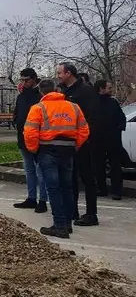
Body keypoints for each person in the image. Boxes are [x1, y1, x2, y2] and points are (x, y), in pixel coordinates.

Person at [24, 79, 90, 238]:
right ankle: (67, 224)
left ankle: (59, 225)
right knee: (66, 187)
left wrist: (34, 150)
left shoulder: (38, 108)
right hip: (68, 150)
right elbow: (84, 130)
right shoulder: (73, 107)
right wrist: (75, 146)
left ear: (41, 92)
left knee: (53, 188)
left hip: (47, 150)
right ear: (57, 90)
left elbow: (30, 133)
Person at [57, 62, 100, 226]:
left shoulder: (86, 91)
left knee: (88, 178)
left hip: (84, 142)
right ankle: (71, 210)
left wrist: (84, 140)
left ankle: (91, 214)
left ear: (68, 73)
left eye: (60, 73)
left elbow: (92, 119)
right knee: (70, 178)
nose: (58, 76)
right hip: (69, 143)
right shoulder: (65, 92)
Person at [12, 68, 47, 212]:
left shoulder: (39, 97)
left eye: (27, 80)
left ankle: (42, 200)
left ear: (34, 80)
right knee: (29, 170)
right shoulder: (21, 97)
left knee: (40, 170)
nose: (24, 83)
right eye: (22, 80)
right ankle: (31, 197)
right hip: (22, 137)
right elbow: (17, 113)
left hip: (37, 139)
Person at [93, 79, 125, 200]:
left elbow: (121, 118)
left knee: (115, 165)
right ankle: (102, 189)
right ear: (101, 89)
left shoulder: (113, 103)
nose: (111, 90)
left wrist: (119, 129)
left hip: (113, 140)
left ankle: (117, 191)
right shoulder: (93, 103)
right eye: (109, 88)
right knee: (98, 165)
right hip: (97, 139)